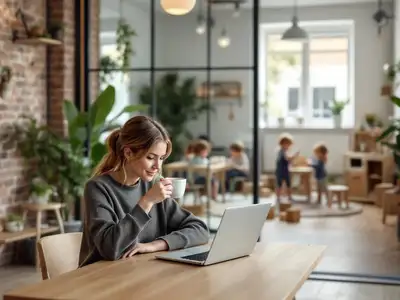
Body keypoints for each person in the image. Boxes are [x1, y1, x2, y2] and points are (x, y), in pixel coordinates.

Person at [79, 115, 210, 267]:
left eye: (161, 158)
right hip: (99, 278)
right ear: (128, 153)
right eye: (151, 157)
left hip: (137, 272)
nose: (157, 166)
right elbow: (110, 249)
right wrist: (147, 202)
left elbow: (200, 230)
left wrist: (154, 245)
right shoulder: (98, 188)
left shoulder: (153, 186)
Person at [275, 133, 299, 204]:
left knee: (287, 184)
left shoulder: (283, 151)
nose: (289, 146)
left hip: (284, 170)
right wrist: (295, 155)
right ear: (283, 143)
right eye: (287, 144)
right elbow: (288, 159)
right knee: (280, 184)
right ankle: (279, 197)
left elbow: (288, 160)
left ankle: (289, 196)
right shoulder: (282, 151)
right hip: (281, 171)